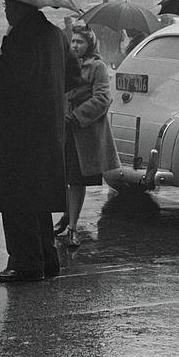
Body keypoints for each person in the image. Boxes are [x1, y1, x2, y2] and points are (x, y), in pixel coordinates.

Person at [0, 0, 81, 282]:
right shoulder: (56, 35)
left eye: (8, 6)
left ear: (20, 8)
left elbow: (10, 83)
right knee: (39, 199)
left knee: (17, 199)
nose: (6, 11)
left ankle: (25, 264)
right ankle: (47, 260)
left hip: (19, 133)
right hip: (48, 130)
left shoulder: (20, 38)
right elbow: (74, 75)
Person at [55, 25, 119, 248]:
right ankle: (65, 216)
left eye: (79, 42)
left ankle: (73, 227)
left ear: (90, 45)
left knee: (76, 180)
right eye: (72, 41)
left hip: (83, 131)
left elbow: (103, 98)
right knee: (61, 176)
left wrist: (75, 115)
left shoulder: (97, 67)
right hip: (64, 128)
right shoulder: (67, 64)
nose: (74, 45)